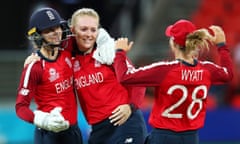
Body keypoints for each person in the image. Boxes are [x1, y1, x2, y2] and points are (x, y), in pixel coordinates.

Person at [113, 20, 233, 144]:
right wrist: (222, 46)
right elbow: (228, 74)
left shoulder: (164, 70)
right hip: (191, 138)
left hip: (163, 137)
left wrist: (119, 53)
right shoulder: (207, 70)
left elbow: (124, 77)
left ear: (174, 43)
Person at [68, 8, 148, 144]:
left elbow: (138, 80)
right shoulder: (69, 59)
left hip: (125, 122)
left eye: (93, 30)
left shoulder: (108, 51)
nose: (89, 34)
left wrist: (130, 106)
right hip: (98, 131)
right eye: (84, 29)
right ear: (73, 30)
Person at [15, 7, 83, 144]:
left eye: (57, 27)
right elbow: (20, 107)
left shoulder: (68, 52)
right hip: (48, 135)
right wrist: (42, 120)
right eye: (49, 30)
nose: (56, 32)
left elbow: (89, 35)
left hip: (73, 132)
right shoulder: (34, 67)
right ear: (38, 35)